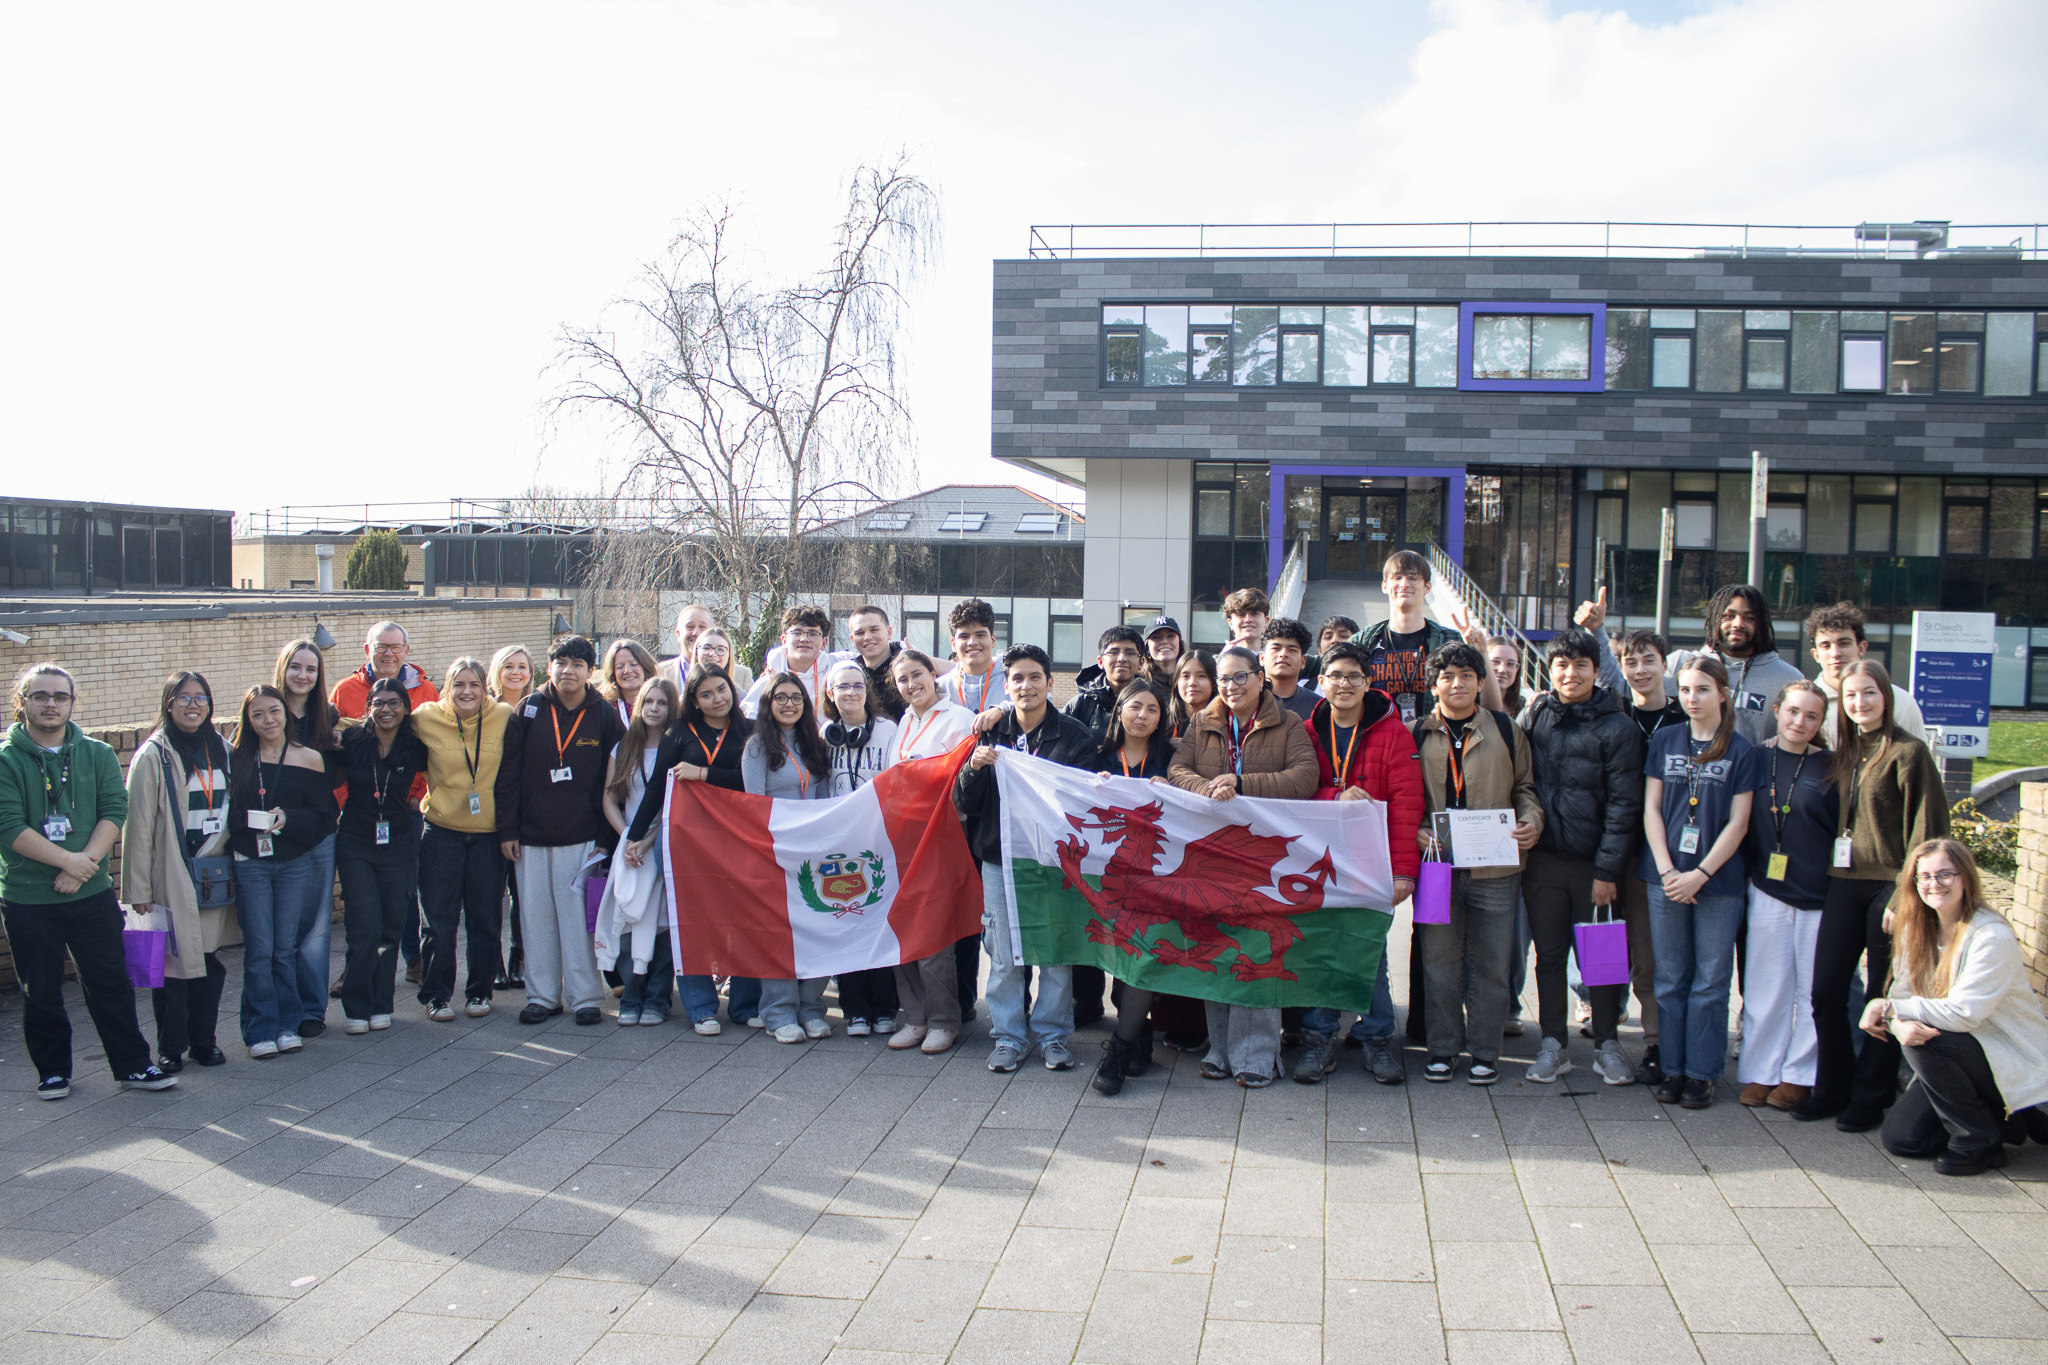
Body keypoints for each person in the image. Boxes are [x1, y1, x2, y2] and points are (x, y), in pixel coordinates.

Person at [2, 665, 176, 1097]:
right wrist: (71, 862)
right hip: (28, 898)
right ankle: (52, 1072)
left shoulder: (97, 753)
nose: (51, 704)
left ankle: (133, 1065)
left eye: (60, 696)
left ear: (72, 702)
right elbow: (7, 825)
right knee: (40, 989)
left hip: (91, 894)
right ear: (21, 702)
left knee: (110, 983)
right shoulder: (5, 759)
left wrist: (86, 864)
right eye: (40, 696)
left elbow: (114, 808)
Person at [1799, 658, 1949, 1131]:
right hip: (1843, 883)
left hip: (1890, 888)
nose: (1859, 702)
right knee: (1826, 991)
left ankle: (1871, 1095)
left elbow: (1929, 831)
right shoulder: (1844, 753)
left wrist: (1907, 897)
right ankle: (1832, 1088)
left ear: (1886, 696)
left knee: (1883, 996)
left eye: (1869, 692)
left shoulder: (1909, 753)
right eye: (1850, 695)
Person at [1169, 644, 1320, 1087]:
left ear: (1260, 678)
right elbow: (1178, 770)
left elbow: (1304, 778)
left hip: (1261, 856)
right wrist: (1209, 788)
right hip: (1212, 854)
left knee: (1255, 950)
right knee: (1217, 946)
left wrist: (1241, 783)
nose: (1231, 686)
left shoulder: (1288, 723)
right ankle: (1220, 1048)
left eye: (1240, 677)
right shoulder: (1203, 722)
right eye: (1224, 678)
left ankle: (1257, 1055)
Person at [956, 645, 1096, 1072]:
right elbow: (964, 802)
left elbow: (1083, 803)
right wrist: (973, 769)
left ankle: (1052, 1035)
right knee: (1003, 952)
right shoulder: (990, 732)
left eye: (1035, 677)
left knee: (1055, 951)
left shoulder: (1073, 735)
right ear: (1007, 685)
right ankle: (1008, 1036)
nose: (1026, 686)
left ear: (1050, 683)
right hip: (1000, 858)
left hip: (1053, 862)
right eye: (1017, 678)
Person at [1873, 840, 2048, 1176]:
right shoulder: (1916, 928)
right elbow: (1902, 997)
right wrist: (1897, 1021)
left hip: (2005, 1054)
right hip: (1958, 1056)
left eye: (1945, 874)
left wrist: (1889, 1010)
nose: (1934, 884)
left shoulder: (1991, 936)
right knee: (1903, 1140)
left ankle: (1978, 1142)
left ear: (1965, 877)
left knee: (1925, 1039)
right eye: (1924, 876)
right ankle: (2005, 1120)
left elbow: (1963, 1014)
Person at [1292, 641, 1424, 1086]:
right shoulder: (1308, 731)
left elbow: (1407, 805)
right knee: (1321, 947)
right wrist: (1336, 797)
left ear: (1369, 683)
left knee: (1369, 950)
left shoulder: (1393, 733)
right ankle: (1319, 1038)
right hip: (1319, 860)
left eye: (1353, 676)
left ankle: (1378, 1036)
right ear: (1321, 682)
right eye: (1335, 676)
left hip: (1372, 860)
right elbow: (1296, 792)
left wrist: (1403, 872)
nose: (1344, 684)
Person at [1409, 643, 1541, 1087]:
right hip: (1437, 868)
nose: (1458, 684)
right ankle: (1443, 1049)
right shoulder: (1416, 733)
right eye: (1447, 676)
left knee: (1491, 964)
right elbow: (1404, 799)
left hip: (1496, 870)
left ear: (1481, 682)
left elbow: (1525, 788)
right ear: (1433, 686)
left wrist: (1531, 821)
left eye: (1467, 675)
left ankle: (1485, 1051)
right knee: (1439, 963)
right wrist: (1416, 831)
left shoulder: (1505, 728)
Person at [1519, 628, 1645, 1086]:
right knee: (1549, 956)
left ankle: (1607, 1044)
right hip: (1544, 862)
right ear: (1550, 670)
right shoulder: (1538, 716)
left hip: (1595, 867)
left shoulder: (1619, 728)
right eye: (1561, 665)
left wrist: (1608, 870)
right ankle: (1553, 1044)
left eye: (1580, 666)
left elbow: (1624, 806)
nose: (1570, 674)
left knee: (1602, 959)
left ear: (1595, 671)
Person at [1640, 657, 1766, 1109]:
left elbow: (1739, 823)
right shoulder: (1666, 739)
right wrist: (1669, 871)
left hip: (1718, 881)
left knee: (1711, 981)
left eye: (1703, 689)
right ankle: (1673, 1068)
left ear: (1723, 694)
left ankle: (1702, 1073)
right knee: (1670, 978)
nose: (1692, 698)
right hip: (1665, 878)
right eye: (1687, 690)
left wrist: (1700, 874)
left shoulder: (1742, 750)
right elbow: (1651, 809)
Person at [495, 636, 626, 1027]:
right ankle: (543, 997)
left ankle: (585, 997)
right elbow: (508, 775)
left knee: (576, 921)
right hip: (530, 838)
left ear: (590, 671)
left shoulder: (604, 715)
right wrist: (508, 829)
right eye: (561, 662)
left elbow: (615, 784)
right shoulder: (528, 709)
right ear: (549, 666)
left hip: (583, 837)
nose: (568, 671)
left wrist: (604, 840)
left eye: (578, 664)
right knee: (535, 920)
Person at [121, 672, 233, 1073]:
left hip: (212, 872)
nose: (193, 706)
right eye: (183, 698)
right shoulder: (154, 754)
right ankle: (171, 1048)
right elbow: (138, 826)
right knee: (172, 967)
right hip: (171, 871)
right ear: (168, 704)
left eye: (201, 698)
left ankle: (204, 1042)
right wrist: (138, 890)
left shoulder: (221, 747)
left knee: (207, 961)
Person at [633, 664, 754, 1032]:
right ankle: (701, 1008)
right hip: (684, 841)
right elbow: (657, 786)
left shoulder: (750, 730)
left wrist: (705, 774)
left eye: (722, 689)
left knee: (744, 921)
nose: (717, 698)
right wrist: (635, 835)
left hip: (737, 839)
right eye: (706, 694)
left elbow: (753, 782)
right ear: (695, 701)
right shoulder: (679, 732)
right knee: (690, 922)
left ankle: (745, 1006)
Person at [1737, 680, 1838, 1110]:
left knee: (1811, 991)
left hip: (1820, 895)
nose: (1800, 722)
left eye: (1811, 716)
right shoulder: (1755, 758)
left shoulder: (1833, 766)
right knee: (1765, 988)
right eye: (1793, 711)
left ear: (1821, 722)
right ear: (1777, 710)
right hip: (1768, 889)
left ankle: (1800, 1075)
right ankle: (1762, 1071)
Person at [226, 685, 338, 1058]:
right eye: (257, 714)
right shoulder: (238, 759)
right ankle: (260, 1029)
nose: (268, 720)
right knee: (260, 948)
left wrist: (288, 818)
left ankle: (288, 1024)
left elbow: (325, 816)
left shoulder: (309, 758)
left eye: (274, 711)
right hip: (251, 862)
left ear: (285, 713)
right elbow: (228, 813)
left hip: (294, 862)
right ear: (248, 720)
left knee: (285, 948)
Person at [882, 648, 976, 1056]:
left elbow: (963, 780)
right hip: (902, 840)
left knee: (934, 932)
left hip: (941, 837)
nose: (911, 684)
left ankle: (943, 1021)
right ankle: (915, 1017)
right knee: (903, 929)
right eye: (902, 679)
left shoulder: (960, 719)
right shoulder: (903, 722)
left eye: (917, 675)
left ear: (932, 675)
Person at [1087, 679, 1178, 1097]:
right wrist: (1092, 786)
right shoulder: (1097, 756)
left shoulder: (1172, 760)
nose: (1142, 715)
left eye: (1152, 709)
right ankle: (1138, 1038)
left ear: (1162, 719)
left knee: (1140, 959)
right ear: (1119, 710)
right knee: (1121, 971)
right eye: (1135, 706)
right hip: (1108, 877)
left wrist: (1177, 791)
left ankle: (1119, 1052)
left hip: (1158, 879)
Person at [412, 657, 512, 1022]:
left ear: (485, 688)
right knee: (438, 921)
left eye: (474, 685)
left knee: (485, 919)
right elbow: (380, 726)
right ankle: (436, 995)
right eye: (459, 684)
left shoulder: (504, 716)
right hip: (442, 832)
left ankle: (479, 992)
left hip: (489, 836)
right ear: (447, 687)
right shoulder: (425, 717)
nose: (466, 692)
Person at [333, 678, 431, 1033]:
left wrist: (419, 801)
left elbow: (442, 773)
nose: (386, 710)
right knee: (364, 925)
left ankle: (381, 1003)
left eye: (394, 703)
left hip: (399, 840)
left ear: (405, 708)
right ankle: (356, 1006)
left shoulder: (415, 745)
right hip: (356, 840)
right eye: (378, 703)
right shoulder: (351, 741)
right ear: (368, 707)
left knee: (391, 924)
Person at [742, 672, 836, 1043]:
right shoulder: (757, 747)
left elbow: (825, 798)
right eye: (780, 697)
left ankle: (811, 1009)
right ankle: (779, 1012)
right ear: (768, 704)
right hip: (776, 852)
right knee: (778, 935)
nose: (789, 704)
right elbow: (754, 807)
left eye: (796, 697)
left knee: (819, 930)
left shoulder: (816, 744)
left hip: (814, 852)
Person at [820, 660, 901, 1035]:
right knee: (845, 922)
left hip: (876, 841)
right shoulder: (824, 733)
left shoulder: (888, 730)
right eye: (843, 686)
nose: (851, 692)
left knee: (878, 923)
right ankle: (854, 1009)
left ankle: (884, 1008)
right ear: (830, 693)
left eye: (858, 685)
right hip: (838, 844)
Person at [600, 676, 680, 1027]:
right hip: (629, 847)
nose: (654, 708)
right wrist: (628, 839)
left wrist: (647, 842)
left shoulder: (677, 746)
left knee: (661, 925)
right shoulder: (623, 747)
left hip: (663, 844)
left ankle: (658, 1000)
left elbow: (675, 804)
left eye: (662, 703)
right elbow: (609, 797)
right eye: (648, 701)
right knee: (629, 921)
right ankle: (631, 997)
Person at [275, 637, 345, 1031]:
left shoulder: (328, 718)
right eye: (295, 667)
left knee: (316, 926)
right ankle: (282, 1006)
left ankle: (311, 1010)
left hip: (319, 832)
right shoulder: (266, 711)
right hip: (275, 834)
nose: (302, 675)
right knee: (280, 928)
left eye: (311, 669)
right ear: (283, 669)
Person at [1665, 584, 1802, 744]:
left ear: (1762, 624)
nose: (1738, 624)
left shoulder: (1788, 678)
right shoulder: (1679, 665)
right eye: (1729, 616)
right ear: (1715, 618)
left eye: (1749, 618)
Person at [1805, 601, 1927, 744]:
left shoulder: (1900, 702)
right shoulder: (1805, 705)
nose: (1835, 653)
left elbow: (1918, 756)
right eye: (1826, 646)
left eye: (1844, 643)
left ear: (1862, 648)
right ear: (1816, 655)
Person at [486, 643, 533, 991]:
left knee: (521, 893)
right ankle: (493, 962)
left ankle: (520, 958)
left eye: (522, 666)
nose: (516, 672)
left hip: (524, 814)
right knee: (490, 893)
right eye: (508, 666)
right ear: (496, 672)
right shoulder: (486, 709)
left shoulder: (536, 708)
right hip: (486, 812)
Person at [742, 607, 839, 718]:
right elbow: (749, 714)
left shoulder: (834, 674)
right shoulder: (770, 679)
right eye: (797, 633)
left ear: (824, 642)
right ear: (784, 640)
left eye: (813, 634)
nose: (804, 639)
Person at [331, 620, 440, 719]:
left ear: (406, 651)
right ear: (367, 650)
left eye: (396, 647)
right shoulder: (344, 691)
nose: (389, 653)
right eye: (380, 647)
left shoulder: (425, 690)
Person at [1065, 625, 1147, 740]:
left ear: (1141, 663)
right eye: (1114, 652)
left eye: (1130, 653)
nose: (1121, 658)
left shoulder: (1151, 703)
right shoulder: (1081, 704)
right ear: (1100, 661)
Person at [938, 598, 1005, 712]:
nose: (972, 642)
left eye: (980, 635)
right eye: (964, 637)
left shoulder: (1013, 679)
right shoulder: (941, 688)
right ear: (953, 644)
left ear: (993, 640)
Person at [848, 604, 907, 721]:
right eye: (860, 633)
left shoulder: (909, 666)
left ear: (889, 632)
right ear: (852, 640)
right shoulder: (850, 674)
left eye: (874, 630)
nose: (867, 637)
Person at [1259, 618, 1319, 722]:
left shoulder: (1318, 707)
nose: (1283, 654)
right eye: (1276, 648)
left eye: (1292, 650)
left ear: (1303, 661)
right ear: (1262, 658)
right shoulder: (1248, 702)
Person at [654, 603, 717, 692]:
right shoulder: (660, 672)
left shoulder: (738, 675)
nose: (696, 633)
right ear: (678, 634)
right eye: (690, 627)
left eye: (702, 627)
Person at [598, 638, 658, 725]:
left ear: (645, 667)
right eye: (620, 667)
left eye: (633, 664)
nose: (627, 671)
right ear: (612, 673)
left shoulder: (661, 703)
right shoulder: (604, 707)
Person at [689, 630, 754, 699]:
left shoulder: (742, 698)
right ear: (696, 652)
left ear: (729, 655)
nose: (712, 654)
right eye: (706, 648)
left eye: (720, 649)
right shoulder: (687, 695)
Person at [1169, 651, 1218, 742]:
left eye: (1201, 676)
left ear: (1214, 683)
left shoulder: (1226, 722)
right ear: (1176, 682)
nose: (1192, 683)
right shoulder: (1163, 720)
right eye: (1185, 676)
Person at [1143, 615, 1186, 689]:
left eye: (1171, 636)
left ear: (1179, 642)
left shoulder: (1190, 682)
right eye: (1156, 637)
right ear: (1147, 646)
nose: (1164, 641)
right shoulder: (1138, 684)